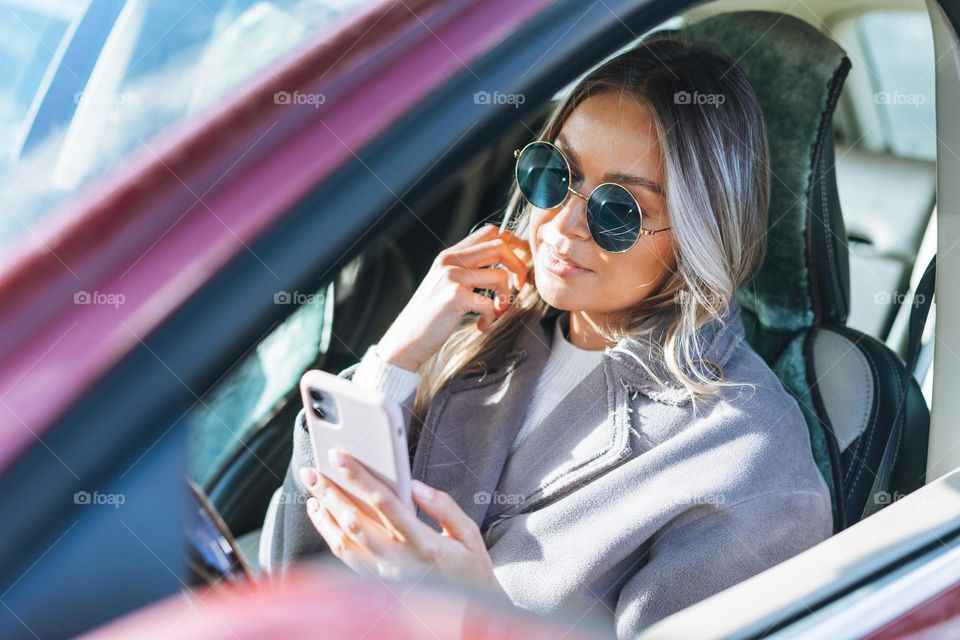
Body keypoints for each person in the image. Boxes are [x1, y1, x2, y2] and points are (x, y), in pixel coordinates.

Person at [260, 36, 833, 638]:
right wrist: (396, 357)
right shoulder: (477, 342)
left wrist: (477, 616)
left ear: (699, 232)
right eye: (556, 174)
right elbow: (295, 583)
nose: (561, 224)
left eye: (618, 210)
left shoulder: (749, 459)